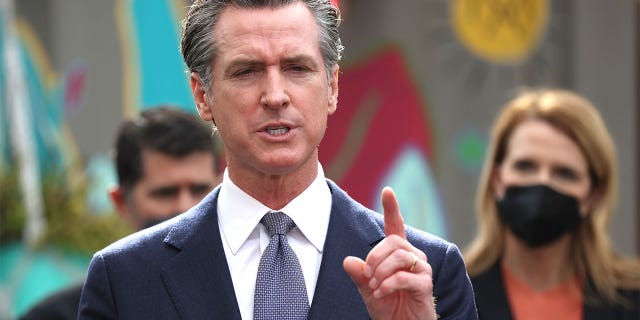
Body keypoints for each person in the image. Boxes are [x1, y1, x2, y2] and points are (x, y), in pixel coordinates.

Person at [78, 1, 478, 319]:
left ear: (333, 87)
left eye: (297, 68)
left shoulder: (428, 274)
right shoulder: (125, 279)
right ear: (202, 95)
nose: (275, 95)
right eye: (248, 71)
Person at [20, 106, 221, 320]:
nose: (185, 208)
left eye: (200, 190)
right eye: (165, 193)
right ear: (121, 202)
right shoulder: (59, 316)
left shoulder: (252, 295)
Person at [464, 88, 640, 319]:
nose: (542, 182)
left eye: (565, 173)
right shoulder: (451, 293)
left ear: (593, 196)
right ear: (497, 179)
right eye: (525, 166)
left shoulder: (631, 299)